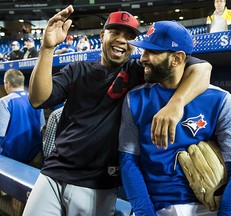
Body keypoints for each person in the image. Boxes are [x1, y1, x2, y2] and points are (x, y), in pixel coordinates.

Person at [23, 5, 212, 216]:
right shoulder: (77, 70)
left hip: (97, 183)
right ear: (102, 35)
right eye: (115, 32)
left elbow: (203, 68)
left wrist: (176, 104)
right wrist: (47, 49)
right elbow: (37, 98)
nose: (122, 39)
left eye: (129, 35)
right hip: (53, 173)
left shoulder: (139, 71)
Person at [119, 20, 231, 216]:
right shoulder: (135, 99)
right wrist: (145, 213)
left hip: (205, 207)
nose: (142, 58)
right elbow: (128, 161)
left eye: (152, 52)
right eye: (144, 51)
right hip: (153, 206)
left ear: (177, 59)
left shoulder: (220, 100)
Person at [0, 68, 45, 216]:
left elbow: (0, 134)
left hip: (12, 157)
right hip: (34, 154)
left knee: (16, 194)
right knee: (30, 194)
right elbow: (41, 128)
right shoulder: (35, 98)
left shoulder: (5, 101)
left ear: (7, 84)